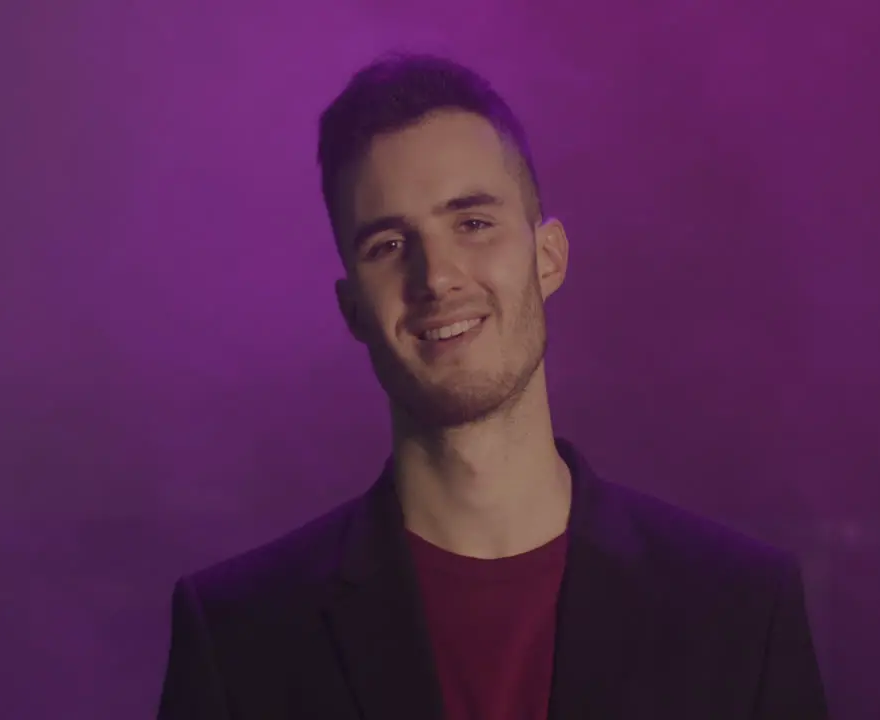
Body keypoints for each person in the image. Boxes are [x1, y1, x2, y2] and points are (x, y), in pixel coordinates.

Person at [157, 52, 828, 719]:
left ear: (549, 257)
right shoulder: (239, 635)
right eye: (388, 245)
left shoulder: (738, 611)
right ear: (353, 309)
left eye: (472, 224)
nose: (438, 276)